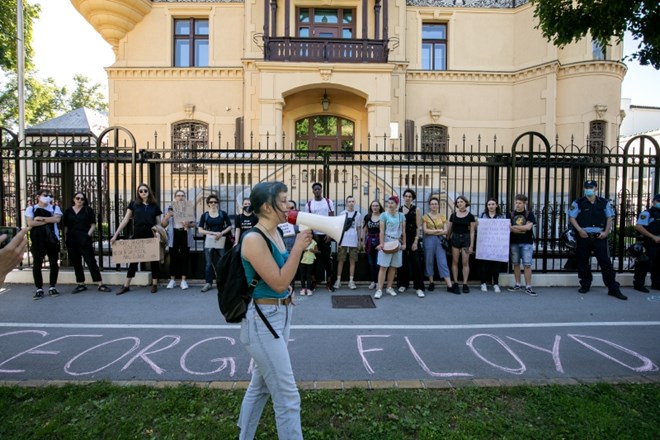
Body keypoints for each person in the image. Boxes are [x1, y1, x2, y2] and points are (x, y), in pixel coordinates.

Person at [237, 181, 312, 440]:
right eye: (282, 200)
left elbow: (282, 284)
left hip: (277, 316)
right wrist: (299, 249)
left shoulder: (276, 232)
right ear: (267, 207)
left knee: (259, 388)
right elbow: (279, 280)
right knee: (288, 396)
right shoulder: (254, 239)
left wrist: (287, 293)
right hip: (262, 322)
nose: (288, 205)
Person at [568, 180, 627, 300]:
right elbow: (572, 218)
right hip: (584, 236)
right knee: (583, 261)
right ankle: (585, 284)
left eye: (591, 187)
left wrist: (606, 232)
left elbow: (609, 217)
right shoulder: (578, 202)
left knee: (605, 262)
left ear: (596, 188)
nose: (588, 189)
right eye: (586, 187)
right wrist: (579, 230)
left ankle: (613, 288)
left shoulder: (604, 202)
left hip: (599, 237)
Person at [111, 184, 163, 295]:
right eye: (141, 191)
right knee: (133, 261)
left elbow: (158, 223)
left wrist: (158, 233)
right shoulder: (134, 204)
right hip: (138, 233)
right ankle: (126, 285)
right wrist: (115, 234)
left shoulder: (154, 206)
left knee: (154, 260)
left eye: (145, 190)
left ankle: (154, 284)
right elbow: (125, 220)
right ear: (138, 193)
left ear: (149, 191)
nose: (143, 192)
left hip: (151, 233)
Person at [61, 191, 111, 293]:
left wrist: (88, 234)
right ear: (73, 199)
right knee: (76, 262)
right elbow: (65, 226)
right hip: (71, 239)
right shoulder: (68, 211)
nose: (80, 200)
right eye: (77, 198)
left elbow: (93, 224)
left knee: (91, 261)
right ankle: (80, 283)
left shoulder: (88, 210)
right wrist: (66, 238)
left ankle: (100, 283)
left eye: (82, 199)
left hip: (84, 238)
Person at [25, 189, 63, 300]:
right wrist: (48, 219)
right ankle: (39, 288)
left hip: (52, 239)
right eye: (45, 195)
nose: (48, 197)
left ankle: (52, 286)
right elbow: (30, 223)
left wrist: (39, 218)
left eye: (50, 195)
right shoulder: (31, 208)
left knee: (54, 263)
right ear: (38, 196)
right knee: (37, 264)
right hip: (37, 240)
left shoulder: (55, 208)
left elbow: (56, 220)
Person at [198, 194, 232, 292]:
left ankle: (223, 282)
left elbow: (230, 226)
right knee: (208, 263)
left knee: (223, 261)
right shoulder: (205, 215)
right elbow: (200, 230)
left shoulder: (222, 214)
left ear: (217, 203)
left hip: (221, 240)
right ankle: (208, 283)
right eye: (211, 202)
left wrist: (221, 233)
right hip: (209, 240)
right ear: (208, 204)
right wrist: (212, 233)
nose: (213, 204)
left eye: (215, 202)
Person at [374, 195, 406, 299]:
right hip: (387, 240)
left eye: (392, 203)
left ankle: (389, 287)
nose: (390, 205)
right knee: (383, 266)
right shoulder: (384, 215)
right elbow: (382, 231)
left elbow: (403, 232)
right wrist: (382, 243)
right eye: (389, 203)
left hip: (397, 242)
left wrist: (404, 244)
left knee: (393, 267)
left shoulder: (401, 216)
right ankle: (379, 289)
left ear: (397, 204)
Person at [162, 190, 195, 290]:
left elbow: (194, 224)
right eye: (178, 195)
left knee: (185, 257)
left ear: (184, 197)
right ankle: (172, 280)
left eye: (182, 195)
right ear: (175, 197)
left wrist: (188, 224)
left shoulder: (188, 208)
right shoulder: (169, 208)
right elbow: (163, 224)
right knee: (173, 257)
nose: (180, 197)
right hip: (174, 233)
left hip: (184, 233)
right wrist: (168, 216)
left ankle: (183, 281)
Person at [306, 182, 336, 291]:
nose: (317, 191)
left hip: (326, 235)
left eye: (319, 189)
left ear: (321, 190)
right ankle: (313, 282)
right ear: (313, 191)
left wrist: (329, 233)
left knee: (327, 259)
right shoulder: (309, 204)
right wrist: (313, 235)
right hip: (315, 236)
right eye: (315, 189)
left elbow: (332, 218)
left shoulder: (328, 202)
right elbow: (308, 221)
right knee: (313, 259)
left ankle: (329, 282)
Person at [397, 189, 426, 298]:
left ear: (412, 198)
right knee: (402, 261)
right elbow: (398, 226)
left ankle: (419, 287)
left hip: (413, 238)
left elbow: (419, 226)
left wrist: (416, 241)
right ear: (403, 197)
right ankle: (403, 284)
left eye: (410, 196)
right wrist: (399, 239)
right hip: (402, 238)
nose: (408, 198)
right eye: (406, 196)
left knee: (416, 263)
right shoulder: (399, 210)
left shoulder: (416, 209)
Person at [507, 194, 537, 296]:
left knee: (527, 264)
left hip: (526, 243)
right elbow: (509, 228)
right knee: (516, 264)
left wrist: (515, 228)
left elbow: (528, 228)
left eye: (520, 203)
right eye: (516, 203)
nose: (517, 205)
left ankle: (528, 286)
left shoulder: (529, 214)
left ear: (524, 203)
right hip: (514, 242)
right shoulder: (510, 214)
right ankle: (517, 284)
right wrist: (522, 228)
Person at [422, 196, 453, 293]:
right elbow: (425, 231)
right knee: (429, 261)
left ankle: (449, 285)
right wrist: (439, 230)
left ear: (438, 205)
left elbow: (446, 231)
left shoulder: (442, 216)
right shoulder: (425, 216)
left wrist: (434, 231)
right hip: (428, 241)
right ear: (429, 206)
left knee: (442, 261)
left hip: (439, 241)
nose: (434, 205)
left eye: (435, 204)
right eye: (432, 204)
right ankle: (431, 282)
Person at [447, 196, 475, 294]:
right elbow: (449, 229)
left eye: (461, 202)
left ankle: (465, 283)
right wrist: (447, 239)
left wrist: (471, 245)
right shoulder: (453, 215)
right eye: (458, 202)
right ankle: (455, 282)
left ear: (466, 203)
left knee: (465, 262)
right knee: (455, 261)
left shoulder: (470, 216)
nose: (459, 204)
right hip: (455, 238)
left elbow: (472, 232)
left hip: (466, 238)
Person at [633, 193, 660, 292]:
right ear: (653, 201)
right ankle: (639, 284)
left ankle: (656, 283)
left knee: (658, 264)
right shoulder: (647, 213)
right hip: (649, 242)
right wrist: (653, 237)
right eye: (658, 201)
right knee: (644, 263)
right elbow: (639, 227)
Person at [477, 198, 505, 293]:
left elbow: (504, 230)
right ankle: (483, 283)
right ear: (487, 206)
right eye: (489, 204)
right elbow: (478, 228)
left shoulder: (501, 217)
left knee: (496, 265)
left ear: (496, 205)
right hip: (485, 244)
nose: (491, 206)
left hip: (497, 244)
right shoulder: (482, 216)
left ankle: (496, 284)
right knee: (484, 264)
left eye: (493, 204)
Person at [334, 195, 362, 290]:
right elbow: (339, 227)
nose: (351, 203)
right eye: (349, 201)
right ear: (346, 203)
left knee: (352, 261)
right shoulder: (342, 213)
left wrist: (359, 240)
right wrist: (338, 239)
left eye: (352, 201)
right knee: (341, 260)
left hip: (353, 240)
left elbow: (358, 228)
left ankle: (351, 281)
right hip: (343, 240)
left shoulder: (358, 214)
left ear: (355, 203)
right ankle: (338, 280)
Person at [363, 200, 384, 290]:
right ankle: (373, 281)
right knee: (371, 263)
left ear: (380, 207)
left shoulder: (383, 217)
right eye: (373, 206)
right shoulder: (367, 217)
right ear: (371, 207)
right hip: (369, 242)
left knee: (378, 263)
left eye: (376, 206)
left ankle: (378, 282)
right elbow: (364, 231)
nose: (375, 207)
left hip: (379, 242)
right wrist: (363, 243)